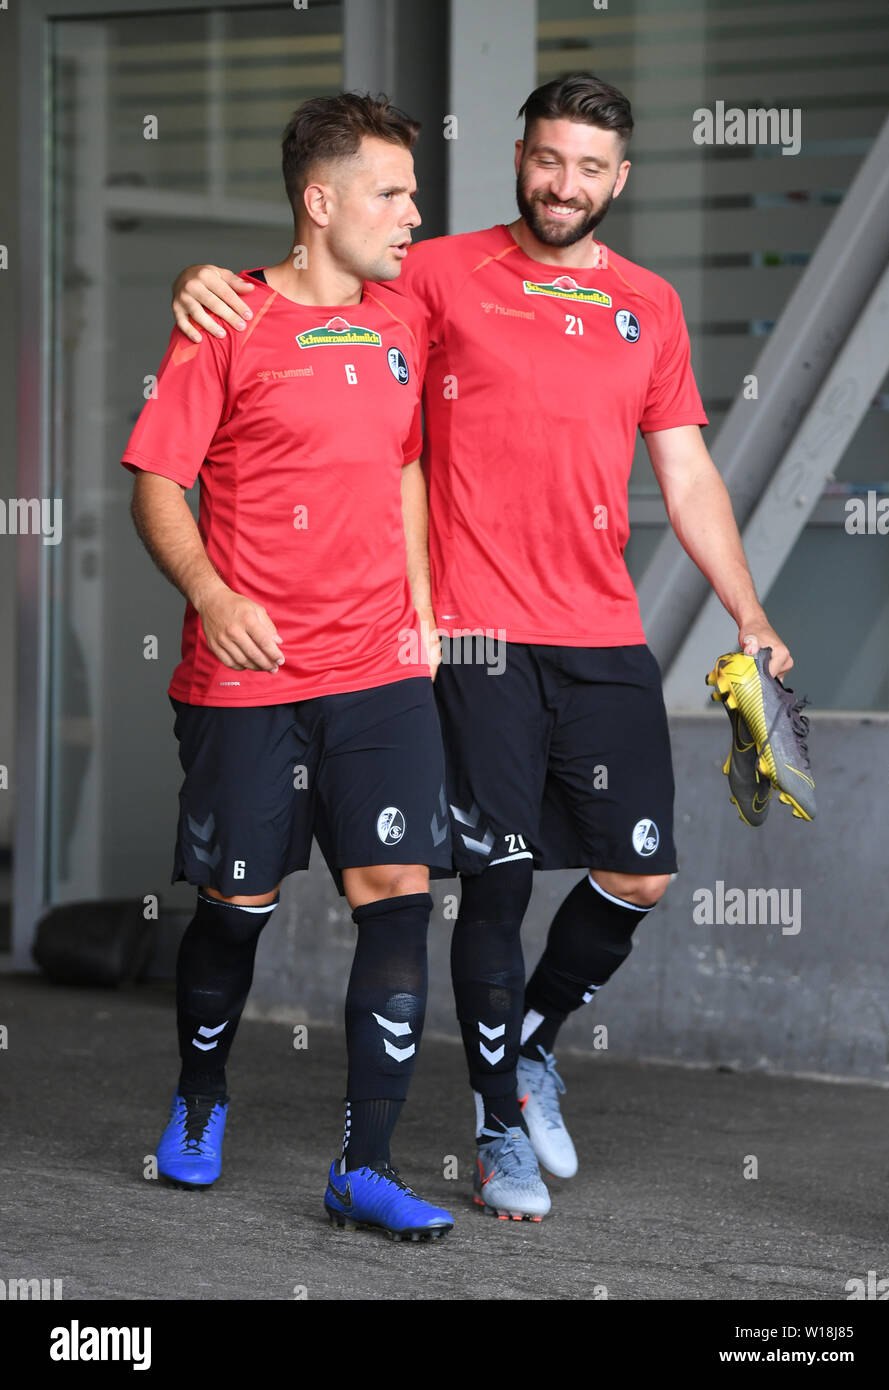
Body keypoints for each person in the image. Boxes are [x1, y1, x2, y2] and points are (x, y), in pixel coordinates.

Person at [166, 74, 793, 1223]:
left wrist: (748, 611)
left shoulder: (647, 304)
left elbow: (688, 469)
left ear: (621, 178)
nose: (566, 185)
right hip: (469, 638)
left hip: (600, 628)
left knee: (641, 867)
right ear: (519, 157)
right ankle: (494, 1123)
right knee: (485, 887)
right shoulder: (436, 273)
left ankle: (532, 1046)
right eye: (549, 160)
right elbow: (309, 287)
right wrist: (202, 280)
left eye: (591, 167)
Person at [123, 92, 454, 1242]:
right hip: (249, 677)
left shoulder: (405, 315)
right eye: (393, 193)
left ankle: (365, 1163)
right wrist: (211, 595)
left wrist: (418, 617)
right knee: (236, 905)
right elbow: (157, 485)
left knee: (399, 900)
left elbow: (407, 464)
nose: (415, 213)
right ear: (321, 203)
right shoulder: (222, 321)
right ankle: (202, 1098)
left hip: (378, 672)